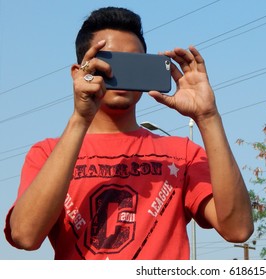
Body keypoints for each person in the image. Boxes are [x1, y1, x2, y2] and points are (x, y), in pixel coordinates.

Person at [4, 7, 253, 260]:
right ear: (78, 73)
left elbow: (238, 229)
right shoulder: (46, 154)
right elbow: (25, 235)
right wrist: (80, 118)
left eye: (132, 63)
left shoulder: (183, 154)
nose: (118, 74)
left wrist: (208, 117)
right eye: (109, 62)